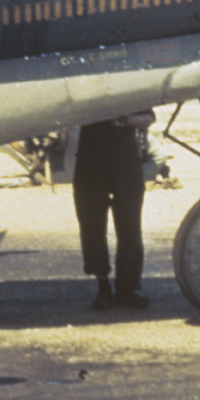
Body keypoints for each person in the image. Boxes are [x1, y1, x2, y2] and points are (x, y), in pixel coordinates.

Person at [72, 110, 155, 310]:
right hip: (91, 157)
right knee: (92, 224)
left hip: (124, 157)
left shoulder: (128, 85)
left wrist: (127, 121)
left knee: (129, 225)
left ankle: (127, 290)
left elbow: (149, 117)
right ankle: (103, 288)